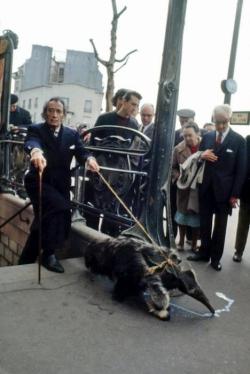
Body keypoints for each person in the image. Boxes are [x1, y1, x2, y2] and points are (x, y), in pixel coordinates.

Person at [18, 97, 99, 273]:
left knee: (43, 219)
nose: (53, 115)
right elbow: (32, 142)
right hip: (39, 181)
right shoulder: (36, 129)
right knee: (61, 208)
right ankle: (49, 254)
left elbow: (81, 151)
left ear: (63, 114)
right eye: (50, 111)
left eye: (58, 111)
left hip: (60, 184)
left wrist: (89, 159)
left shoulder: (72, 134)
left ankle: (25, 259)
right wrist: (36, 152)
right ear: (45, 113)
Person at [187, 104, 246, 271]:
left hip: (225, 193)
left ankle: (215, 258)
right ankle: (203, 252)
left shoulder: (238, 141)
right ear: (213, 119)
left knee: (220, 227)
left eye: (224, 122)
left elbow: (241, 171)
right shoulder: (207, 136)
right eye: (217, 121)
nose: (220, 126)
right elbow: (196, 159)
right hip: (205, 187)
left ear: (229, 119)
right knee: (204, 223)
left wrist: (235, 194)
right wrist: (201, 156)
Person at [172, 122, 201, 252]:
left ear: (197, 134)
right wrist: (178, 176)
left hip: (198, 189)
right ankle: (181, 241)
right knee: (182, 216)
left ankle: (194, 243)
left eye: (190, 135)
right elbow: (171, 167)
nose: (188, 138)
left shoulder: (205, 147)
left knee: (196, 217)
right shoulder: (178, 149)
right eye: (185, 136)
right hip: (183, 189)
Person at [233, 135, 250, 262]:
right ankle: (239, 251)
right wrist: (237, 191)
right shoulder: (248, 139)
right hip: (248, 190)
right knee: (243, 222)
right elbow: (243, 164)